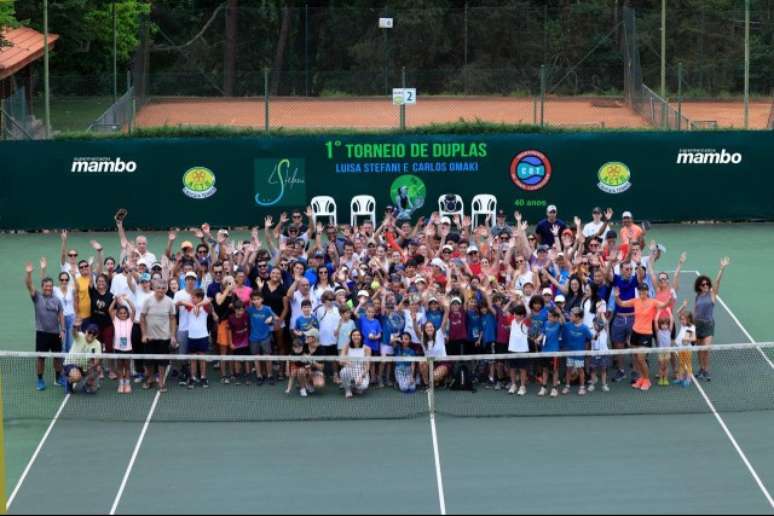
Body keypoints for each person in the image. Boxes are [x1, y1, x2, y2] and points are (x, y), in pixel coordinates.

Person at [613, 284, 669, 391]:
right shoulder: (635, 301)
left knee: (641, 359)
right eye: (640, 291)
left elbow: (663, 306)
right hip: (635, 333)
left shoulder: (653, 302)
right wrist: (616, 296)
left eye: (644, 291)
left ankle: (647, 380)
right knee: (637, 359)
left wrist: (670, 299)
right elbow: (621, 303)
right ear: (638, 292)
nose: (642, 293)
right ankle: (642, 378)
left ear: (647, 291)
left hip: (646, 334)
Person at [26, 262, 65, 391]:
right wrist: (29, 273)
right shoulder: (37, 297)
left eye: (50, 286)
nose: (48, 288)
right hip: (42, 333)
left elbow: (60, 314)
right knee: (40, 358)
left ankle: (58, 378)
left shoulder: (57, 300)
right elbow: (29, 285)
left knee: (58, 358)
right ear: (42, 287)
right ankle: (40, 379)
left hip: (55, 333)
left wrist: (63, 330)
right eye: (46, 286)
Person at [693, 257, 730, 381]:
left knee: (706, 349)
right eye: (703, 284)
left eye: (707, 284)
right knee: (699, 350)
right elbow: (695, 311)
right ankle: (701, 368)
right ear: (699, 286)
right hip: (697, 325)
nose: (706, 285)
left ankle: (706, 369)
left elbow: (717, 283)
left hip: (708, 325)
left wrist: (721, 269)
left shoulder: (712, 294)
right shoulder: (697, 296)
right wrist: (691, 326)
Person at [140, 280, 177, 392]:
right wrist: (144, 334)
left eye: (163, 288)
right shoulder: (147, 301)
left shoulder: (170, 302)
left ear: (166, 289)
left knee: (162, 362)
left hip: (164, 338)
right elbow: (142, 318)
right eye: (158, 288)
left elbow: (173, 319)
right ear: (154, 288)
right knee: (149, 361)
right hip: (150, 337)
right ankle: (150, 379)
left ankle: (161, 381)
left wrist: (173, 336)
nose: (161, 290)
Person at [182, 288, 212, 389]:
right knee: (193, 359)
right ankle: (193, 377)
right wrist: (194, 305)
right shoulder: (190, 307)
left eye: (194, 297)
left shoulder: (206, 307)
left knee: (202, 359)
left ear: (199, 298)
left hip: (203, 336)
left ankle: (203, 377)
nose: (191, 298)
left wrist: (199, 305)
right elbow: (179, 302)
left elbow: (209, 300)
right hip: (192, 337)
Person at [247, 291, 277, 385]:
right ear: (251, 301)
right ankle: (259, 376)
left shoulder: (267, 309)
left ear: (262, 299)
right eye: (254, 299)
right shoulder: (250, 309)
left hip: (266, 337)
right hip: (253, 338)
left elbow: (276, 318)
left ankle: (270, 376)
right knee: (256, 358)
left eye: (258, 299)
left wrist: (271, 319)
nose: (256, 301)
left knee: (267, 357)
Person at [561, 307, 593, 395]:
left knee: (580, 371)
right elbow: (562, 322)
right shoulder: (568, 325)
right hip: (570, 353)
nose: (570, 317)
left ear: (578, 317)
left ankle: (582, 387)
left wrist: (598, 331)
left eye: (572, 316)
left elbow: (591, 337)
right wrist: (559, 312)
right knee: (568, 370)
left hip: (579, 354)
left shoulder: (585, 328)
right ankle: (567, 386)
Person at [63, 323, 102, 394]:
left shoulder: (97, 344)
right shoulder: (80, 336)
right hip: (71, 363)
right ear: (86, 331)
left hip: (84, 366)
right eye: (90, 332)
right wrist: (75, 327)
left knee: (98, 369)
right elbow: (74, 333)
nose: (91, 335)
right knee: (77, 377)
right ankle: (69, 381)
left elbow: (97, 360)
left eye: (94, 333)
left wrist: (93, 366)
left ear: (96, 335)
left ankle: (87, 385)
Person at [109, 295, 135, 393]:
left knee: (127, 366)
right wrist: (115, 300)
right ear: (118, 314)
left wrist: (127, 299)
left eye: (124, 313)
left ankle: (127, 384)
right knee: (119, 366)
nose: (123, 315)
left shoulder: (130, 321)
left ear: (127, 314)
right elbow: (110, 309)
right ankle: (121, 384)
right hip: (118, 348)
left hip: (128, 348)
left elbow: (133, 309)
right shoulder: (115, 321)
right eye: (120, 313)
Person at [339, 329, 371, 398]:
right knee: (344, 372)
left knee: (362, 387)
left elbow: (367, 366)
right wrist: (347, 362)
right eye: (354, 335)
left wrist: (361, 376)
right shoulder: (346, 347)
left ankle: (353, 386)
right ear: (351, 337)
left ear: (361, 337)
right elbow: (340, 361)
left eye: (358, 335)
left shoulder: (367, 349)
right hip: (350, 369)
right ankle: (347, 390)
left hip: (361, 371)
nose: (356, 337)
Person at [507, 304, 530, 396]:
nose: (515, 316)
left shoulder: (526, 322)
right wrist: (512, 301)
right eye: (515, 314)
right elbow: (505, 312)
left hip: (523, 349)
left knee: (522, 369)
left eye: (517, 314)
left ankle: (522, 386)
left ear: (522, 316)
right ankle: (513, 385)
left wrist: (523, 301)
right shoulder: (511, 321)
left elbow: (529, 313)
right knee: (512, 369)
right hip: (512, 348)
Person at [588, 301, 610, 393]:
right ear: (593, 324)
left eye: (599, 324)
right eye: (596, 324)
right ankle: (592, 384)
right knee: (593, 369)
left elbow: (605, 322)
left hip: (603, 352)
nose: (598, 325)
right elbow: (593, 336)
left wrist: (601, 313)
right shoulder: (591, 331)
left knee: (603, 369)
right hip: (594, 353)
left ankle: (604, 384)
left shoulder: (605, 331)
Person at [227, 300, 250, 383]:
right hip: (235, 342)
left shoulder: (246, 316)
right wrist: (230, 343)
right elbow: (229, 331)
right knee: (236, 359)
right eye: (238, 310)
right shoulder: (231, 318)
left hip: (245, 341)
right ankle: (237, 375)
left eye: (242, 310)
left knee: (247, 359)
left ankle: (247, 376)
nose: (240, 312)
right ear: (234, 310)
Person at [674, 300, 696, 387]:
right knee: (681, 363)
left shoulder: (691, 327)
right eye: (681, 319)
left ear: (688, 319)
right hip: (680, 348)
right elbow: (678, 312)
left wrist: (687, 340)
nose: (681, 321)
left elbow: (693, 338)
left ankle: (688, 379)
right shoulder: (684, 325)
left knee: (688, 364)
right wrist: (683, 305)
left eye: (683, 319)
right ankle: (680, 377)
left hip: (687, 349)